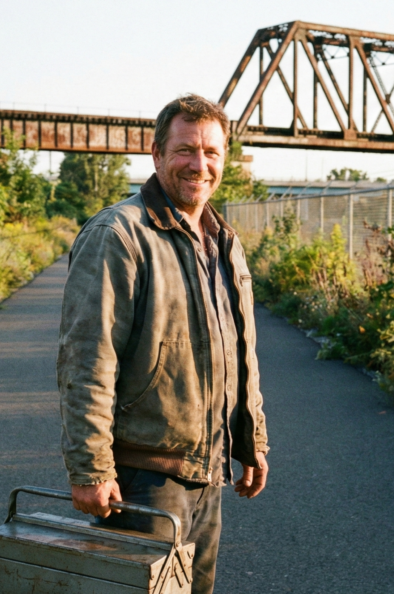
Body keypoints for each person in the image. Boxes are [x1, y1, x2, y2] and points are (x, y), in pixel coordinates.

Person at [57, 94, 269, 593]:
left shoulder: (223, 240)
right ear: (156, 155)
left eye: (212, 152)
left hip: (207, 471)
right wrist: (90, 468)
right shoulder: (120, 234)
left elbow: (239, 352)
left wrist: (251, 440)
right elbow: (87, 358)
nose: (200, 164)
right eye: (185, 151)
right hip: (143, 482)